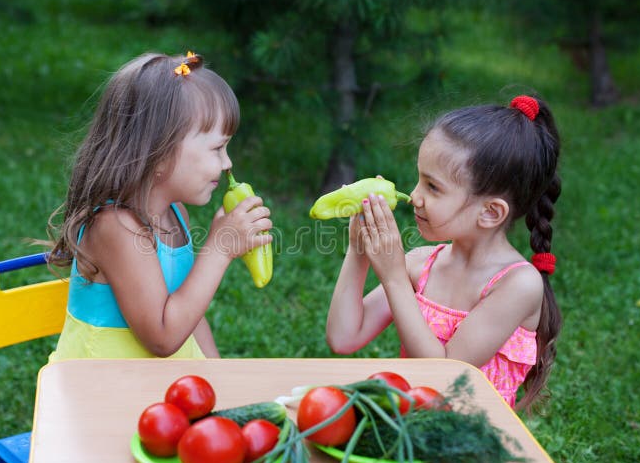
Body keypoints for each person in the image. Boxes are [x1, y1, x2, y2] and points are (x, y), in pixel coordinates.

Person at [326, 95, 562, 410]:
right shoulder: (422, 264)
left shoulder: (517, 285)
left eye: (433, 187)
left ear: (491, 212)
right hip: (414, 428)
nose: (414, 196)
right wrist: (359, 250)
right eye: (419, 179)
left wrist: (395, 278)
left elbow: (444, 374)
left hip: (475, 440)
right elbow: (344, 337)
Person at [46, 51, 272, 361]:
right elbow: (162, 338)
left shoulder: (176, 213)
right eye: (217, 148)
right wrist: (219, 249)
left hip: (158, 391)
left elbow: (187, 309)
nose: (227, 163)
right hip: (99, 393)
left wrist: (219, 375)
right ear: (159, 153)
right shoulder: (116, 227)